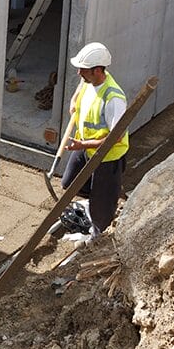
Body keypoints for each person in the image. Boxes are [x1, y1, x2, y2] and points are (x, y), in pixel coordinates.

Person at [58, 41, 129, 241]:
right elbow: (80, 90)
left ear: (98, 70)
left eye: (83, 70)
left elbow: (116, 138)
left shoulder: (114, 98)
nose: (79, 73)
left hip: (107, 157)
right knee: (69, 182)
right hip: (86, 147)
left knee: (102, 209)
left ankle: (98, 234)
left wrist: (82, 145)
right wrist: (73, 102)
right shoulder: (88, 80)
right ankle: (98, 198)